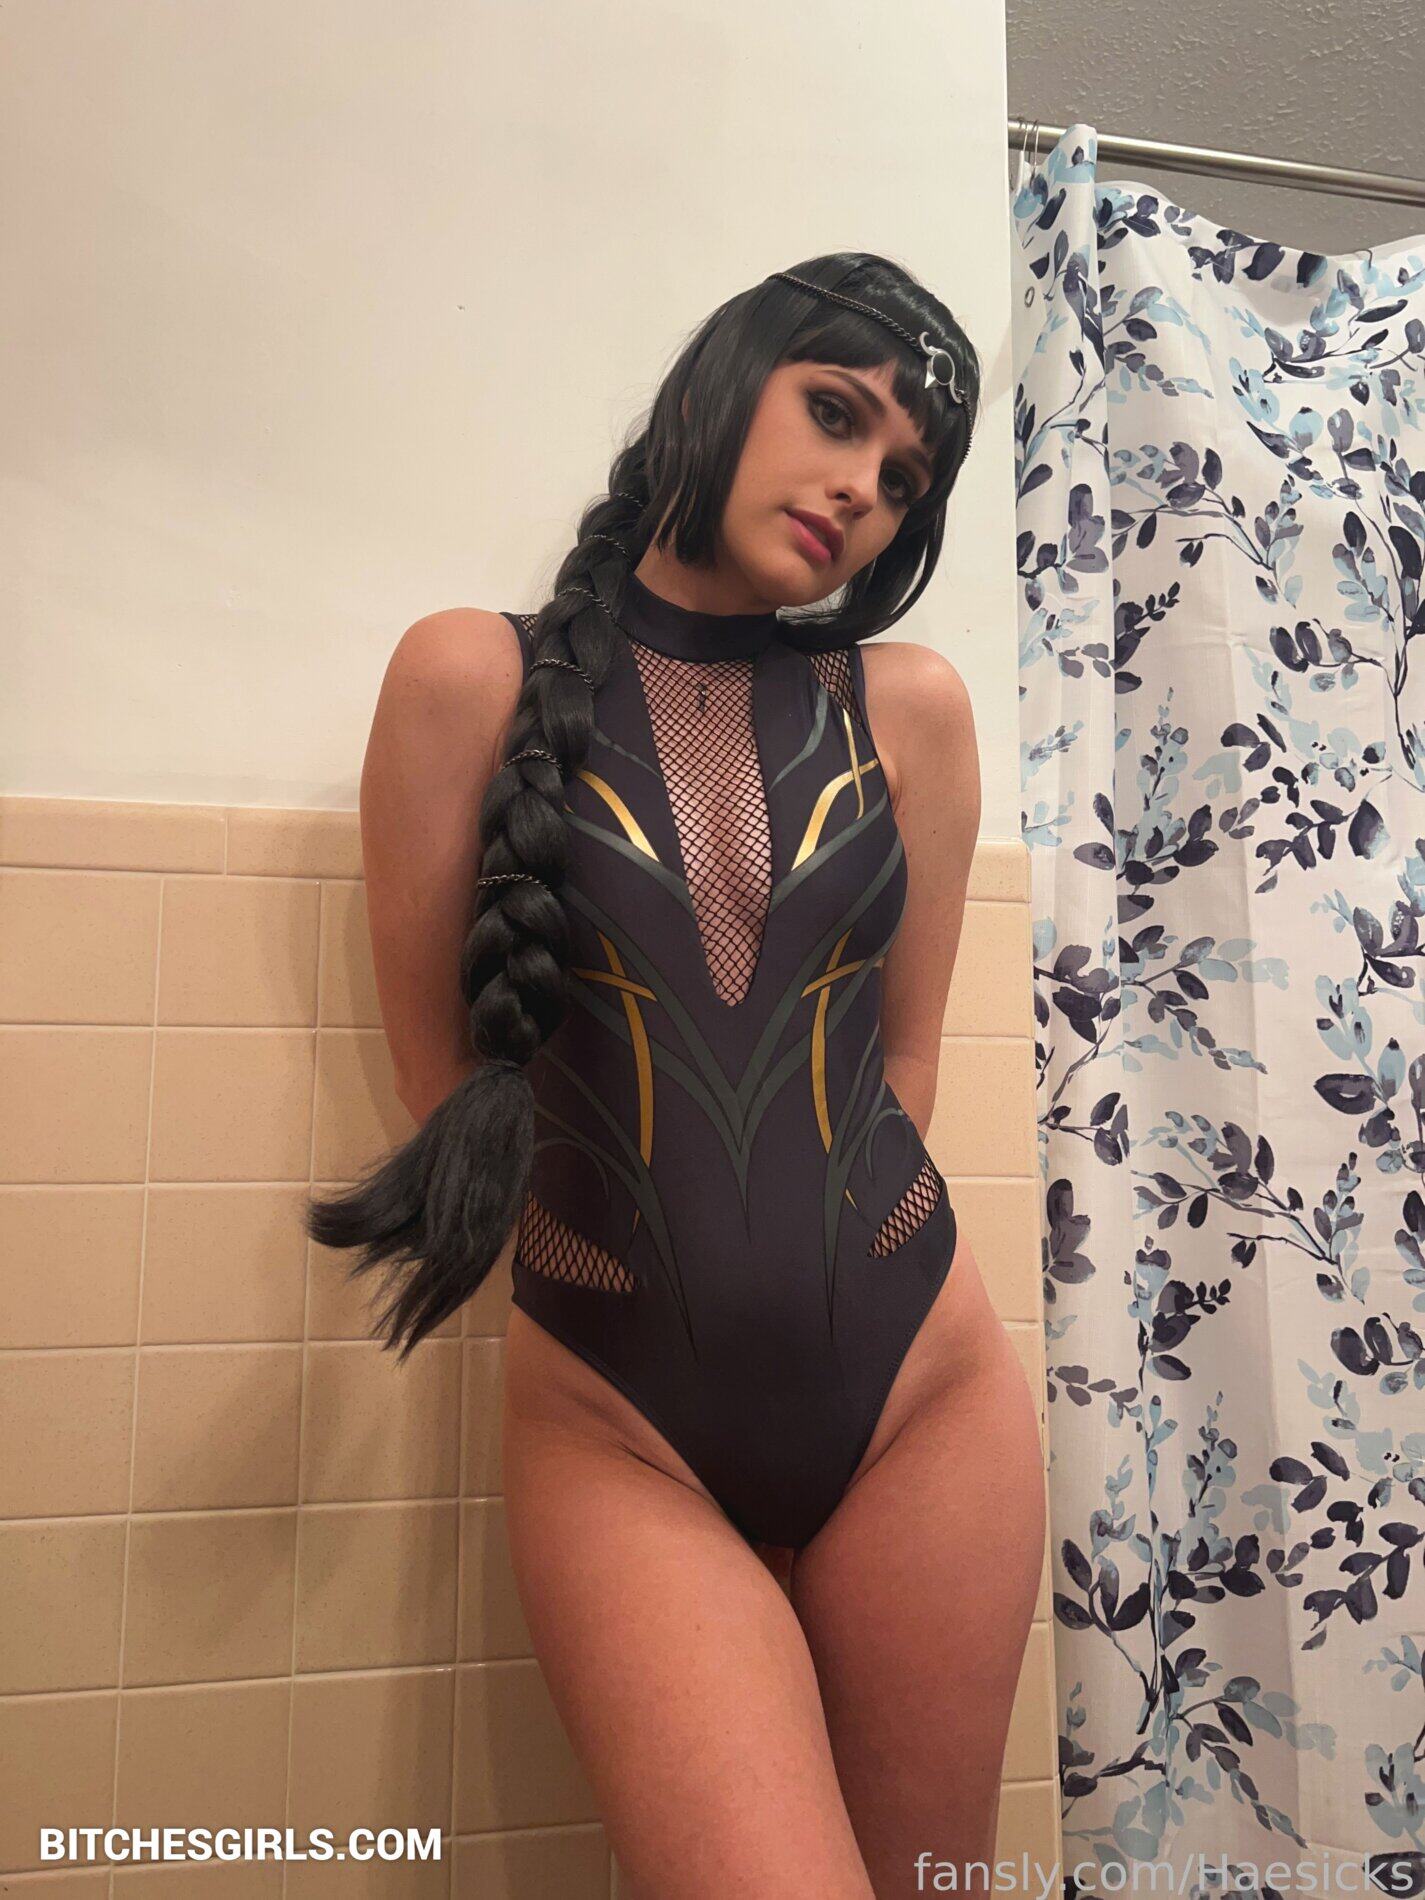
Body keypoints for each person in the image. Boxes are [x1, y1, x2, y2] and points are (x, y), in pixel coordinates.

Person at [307, 253, 1046, 1899]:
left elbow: (904, 1056)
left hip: (923, 1405)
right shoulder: (464, 679)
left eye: (902, 476)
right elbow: (445, 1080)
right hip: (618, 1424)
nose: (860, 487)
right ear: (720, 386)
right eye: (835, 414)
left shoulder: (910, 710)